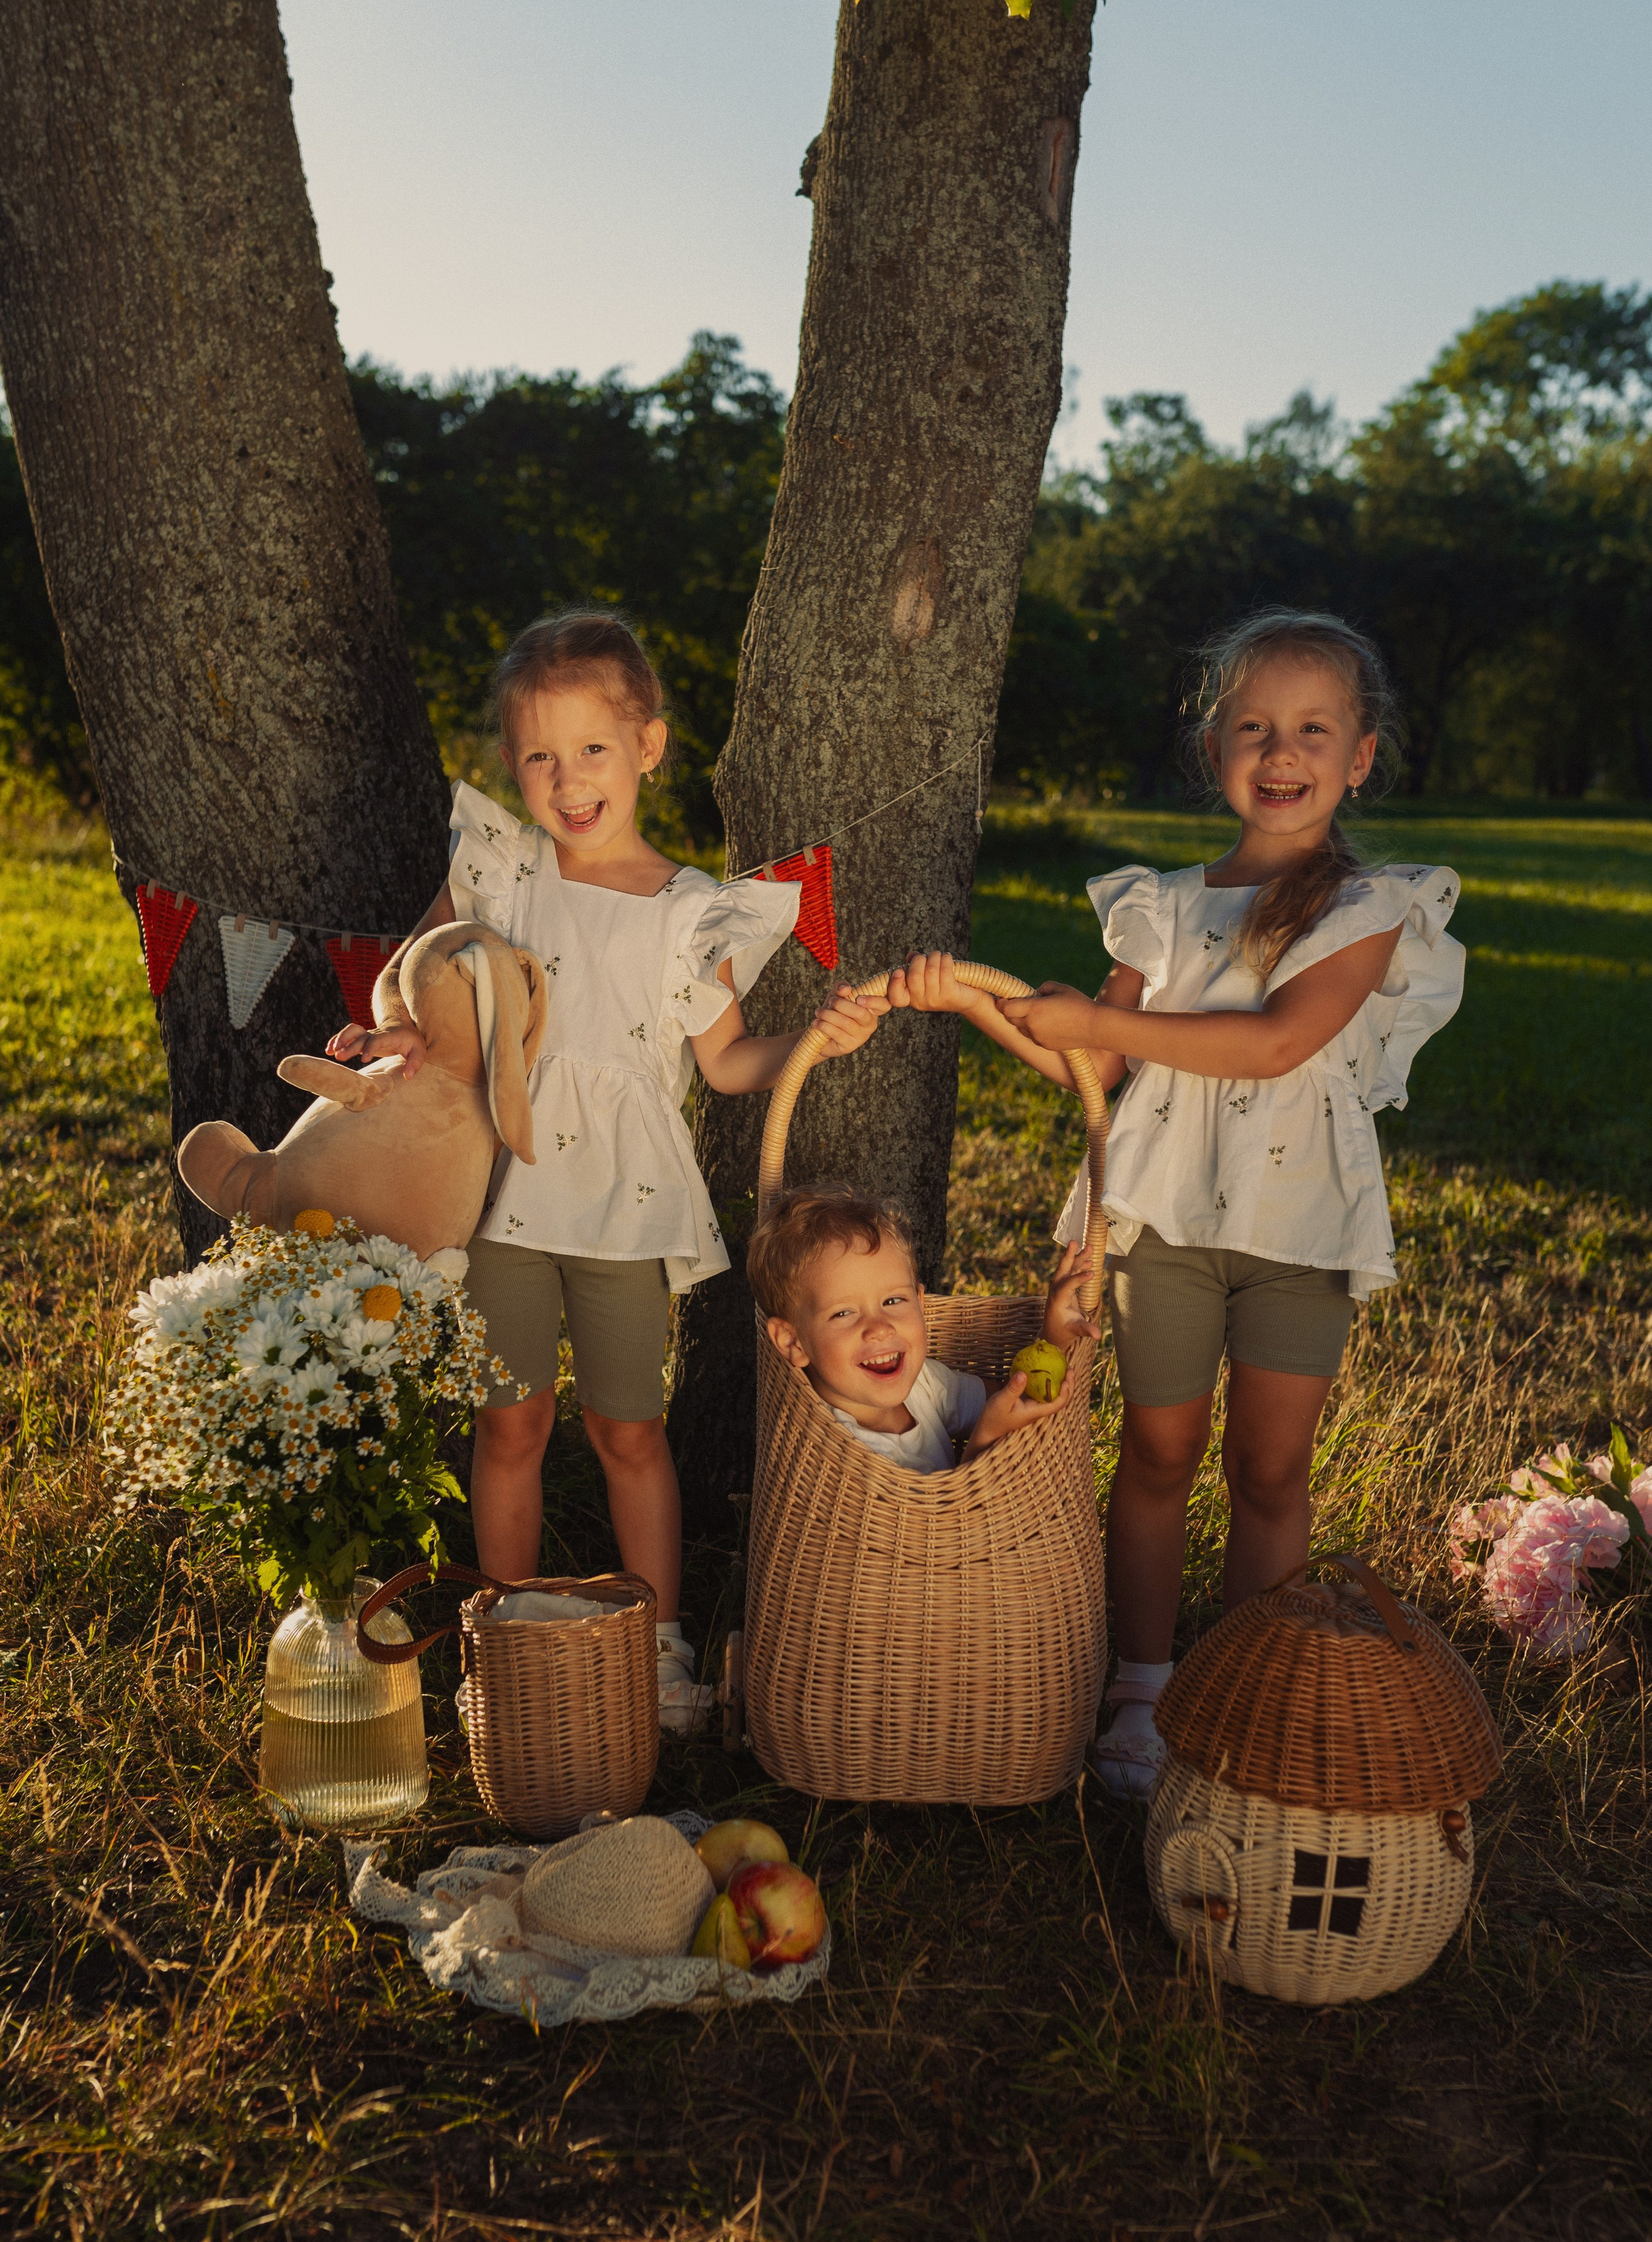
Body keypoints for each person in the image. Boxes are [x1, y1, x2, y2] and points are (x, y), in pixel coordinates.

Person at [891, 609, 1466, 1793]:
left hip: (1298, 1227)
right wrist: (986, 1003)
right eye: (1252, 726)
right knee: (1156, 1450)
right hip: (1157, 1219)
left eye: (1314, 728)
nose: (1281, 750)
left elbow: (1273, 1044)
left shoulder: (1368, 908)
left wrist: (1102, 1020)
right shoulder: (1159, 906)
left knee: (1269, 1468)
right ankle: (1143, 1687)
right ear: (1215, 751)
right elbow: (1087, 1070)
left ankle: (1242, 1682)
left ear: (1361, 756)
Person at [327, 609, 885, 1730]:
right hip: (508, 1196)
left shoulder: (690, 913)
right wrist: (399, 1031)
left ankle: (659, 1642)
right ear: (512, 768)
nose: (567, 780)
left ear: (648, 746)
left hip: (628, 1209)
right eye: (539, 755)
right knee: (511, 1424)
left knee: (629, 1430)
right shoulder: (504, 873)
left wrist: (815, 1040)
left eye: (592, 749)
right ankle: (511, 1627)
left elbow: (726, 1064)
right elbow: (416, 975)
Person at [746, 1184, 1099, 1471]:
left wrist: (1052, 1337)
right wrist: (987, 1438)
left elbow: (1015, 1401)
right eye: (843, 1313)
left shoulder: (923, 1383)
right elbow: (939, 1522)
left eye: (893, 1301)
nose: (880, 1328)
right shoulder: (837, 1450)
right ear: (792, 1341)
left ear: (920, 1301)